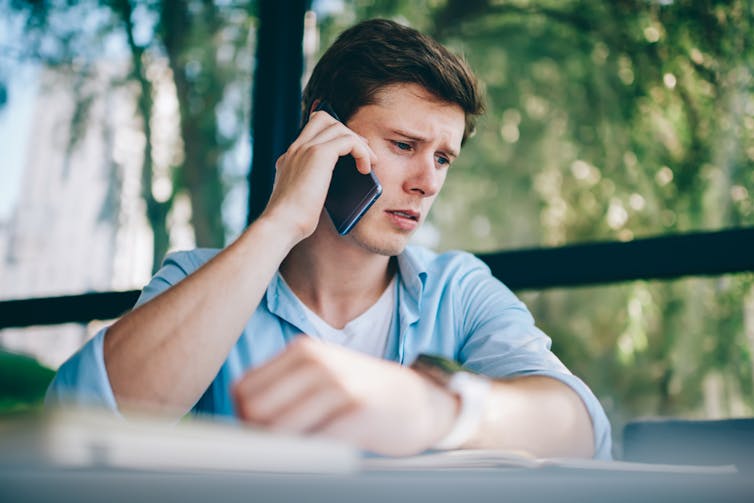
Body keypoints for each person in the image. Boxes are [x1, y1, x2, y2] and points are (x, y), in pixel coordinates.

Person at [47, 18, 611, 459]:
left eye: (443, 158)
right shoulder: (198, 279)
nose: (428, 181)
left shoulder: (456, 290)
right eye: (403, 145)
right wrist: (280, 222)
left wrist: (434, 408)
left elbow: (582, 429)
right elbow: (75, 417)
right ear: (323, 127)